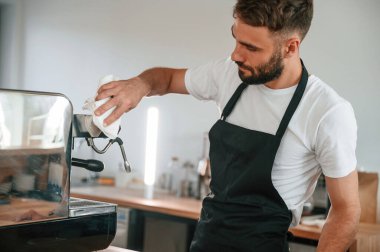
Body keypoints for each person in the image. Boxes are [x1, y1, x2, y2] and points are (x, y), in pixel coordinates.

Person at [95, 0, 361, 251]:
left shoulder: (327, 111)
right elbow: (166, 79)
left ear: (290, 47)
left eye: (252, 48)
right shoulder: (228, 75)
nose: (236, 54)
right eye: (235, 38)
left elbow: (347, 210)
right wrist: (140, 85)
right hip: (207, 240)